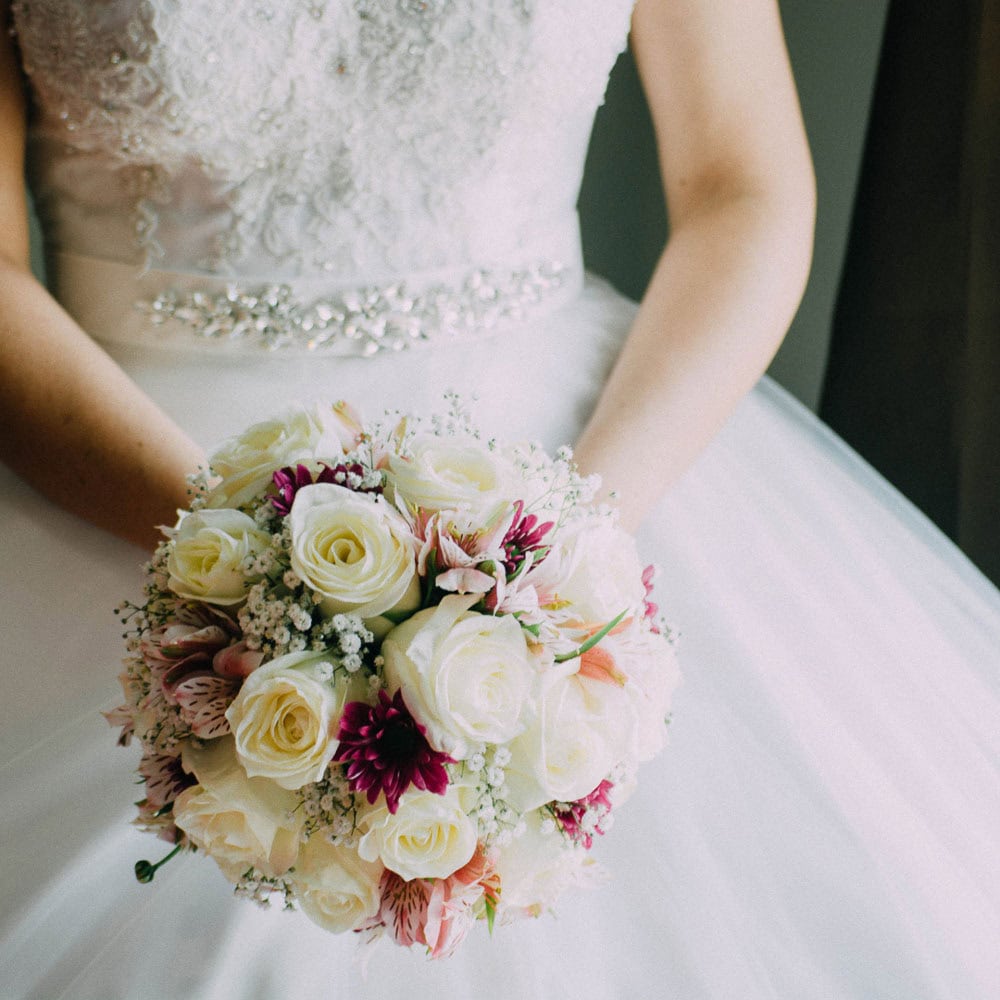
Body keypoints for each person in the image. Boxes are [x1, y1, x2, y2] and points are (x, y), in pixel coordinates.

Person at [0, 2, 996, 998]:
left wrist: (558, 554)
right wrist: (256, 567)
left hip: (598, 450)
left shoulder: (573, 528)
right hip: (125, 468)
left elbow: (743, 186)